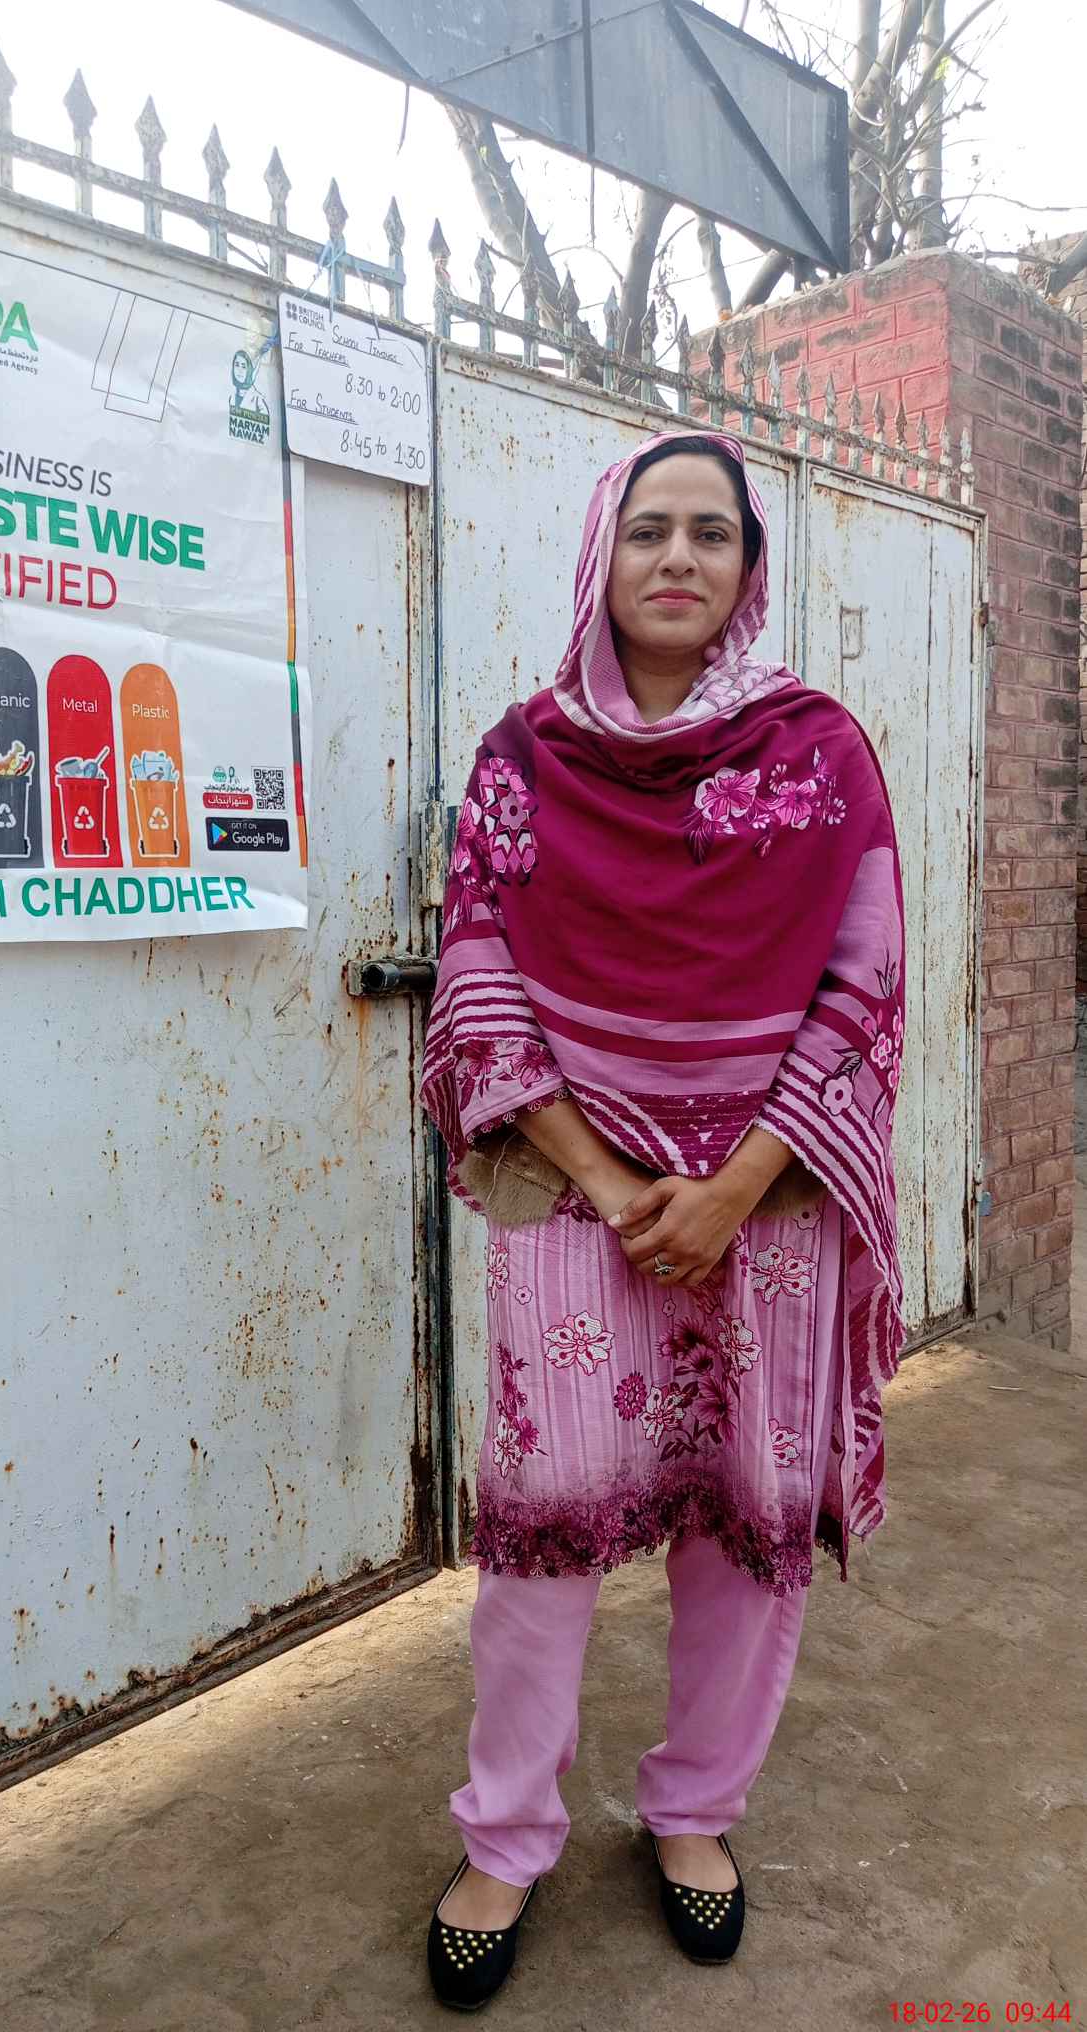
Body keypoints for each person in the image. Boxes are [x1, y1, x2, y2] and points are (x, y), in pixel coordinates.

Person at [418, 429, 907, 2008]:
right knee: (542, 1536)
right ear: (601, 556)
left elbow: (863, 983)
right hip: (582, 1196)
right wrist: (622, 1180)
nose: (679, 556)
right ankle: (506, 1836)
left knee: (746, 1532)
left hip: (770, 1201)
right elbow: (480, 977)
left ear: (750, 568)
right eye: (649, 530)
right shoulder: (523, 757)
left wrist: (741, 1179)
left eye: (712, 532)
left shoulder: (820, 754)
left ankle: (696, 1812)